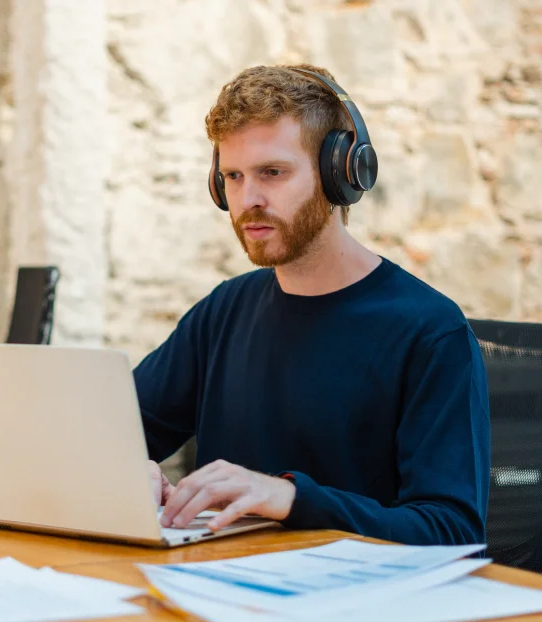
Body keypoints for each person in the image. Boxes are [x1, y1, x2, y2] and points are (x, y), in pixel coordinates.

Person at [134, 63, 491, 546]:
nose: (247, 199)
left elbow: (452, 531)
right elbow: (120, 432)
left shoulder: (429, 331)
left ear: (340, 174)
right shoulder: (224, 312)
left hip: (360, 609)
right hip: (221, 588)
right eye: (232, 177)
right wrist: (126, 469)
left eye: (272, 173)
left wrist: (288, 499)